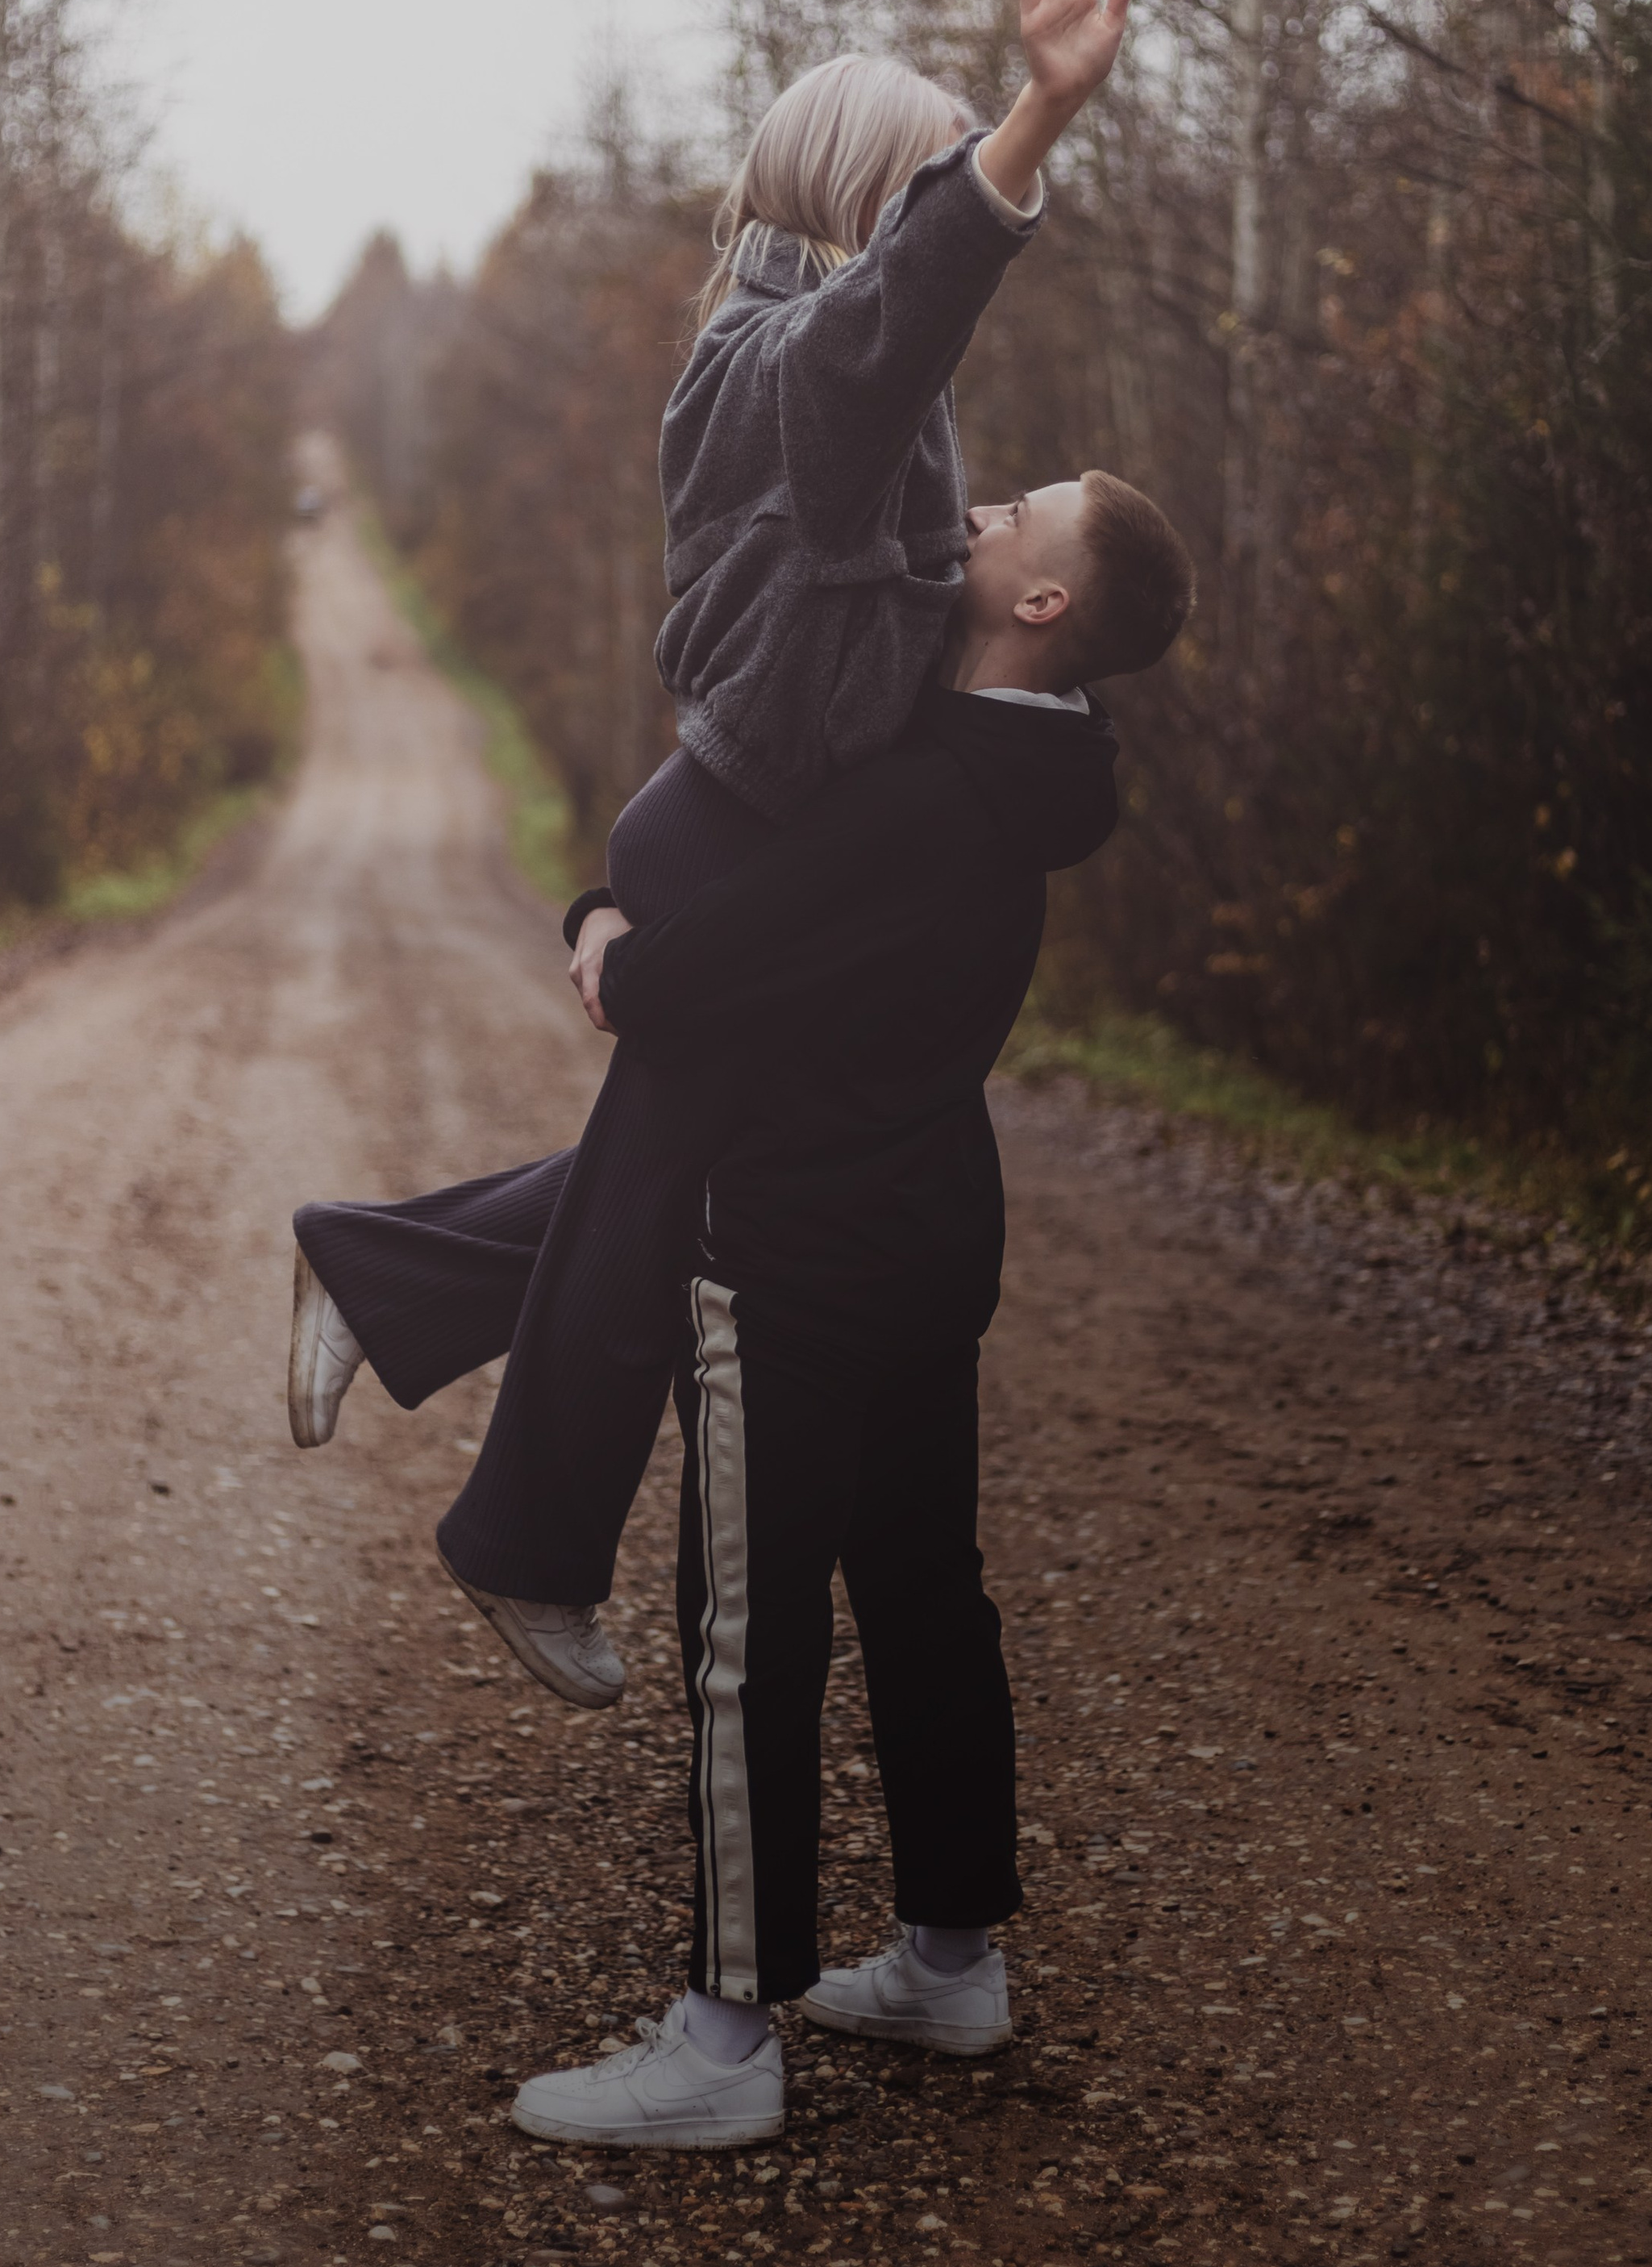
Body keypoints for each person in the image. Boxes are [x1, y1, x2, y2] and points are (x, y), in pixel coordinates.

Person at [289, 0, 1138, 1703]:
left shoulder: (778, 353)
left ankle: (379, 1283)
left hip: (723, 813)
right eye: (915, 196)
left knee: (669, 1178)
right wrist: (1026, 133)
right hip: (743, 825)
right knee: (672, 1187)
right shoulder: (807, 369)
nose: (927, 239)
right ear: (865, 203)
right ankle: (520, 1538)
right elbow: (891, 326)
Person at [506, 468, 1195, 2147]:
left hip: (796, 1249)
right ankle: (949, 1959)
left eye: (1025, 505)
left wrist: (595, 924)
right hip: (928, 1231)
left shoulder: (920, 792)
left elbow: (671, 980)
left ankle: (723, 2041)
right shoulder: (1032, 776)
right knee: (919, 1590)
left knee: (747, 1637)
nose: (988, 501)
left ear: (1042, 601)